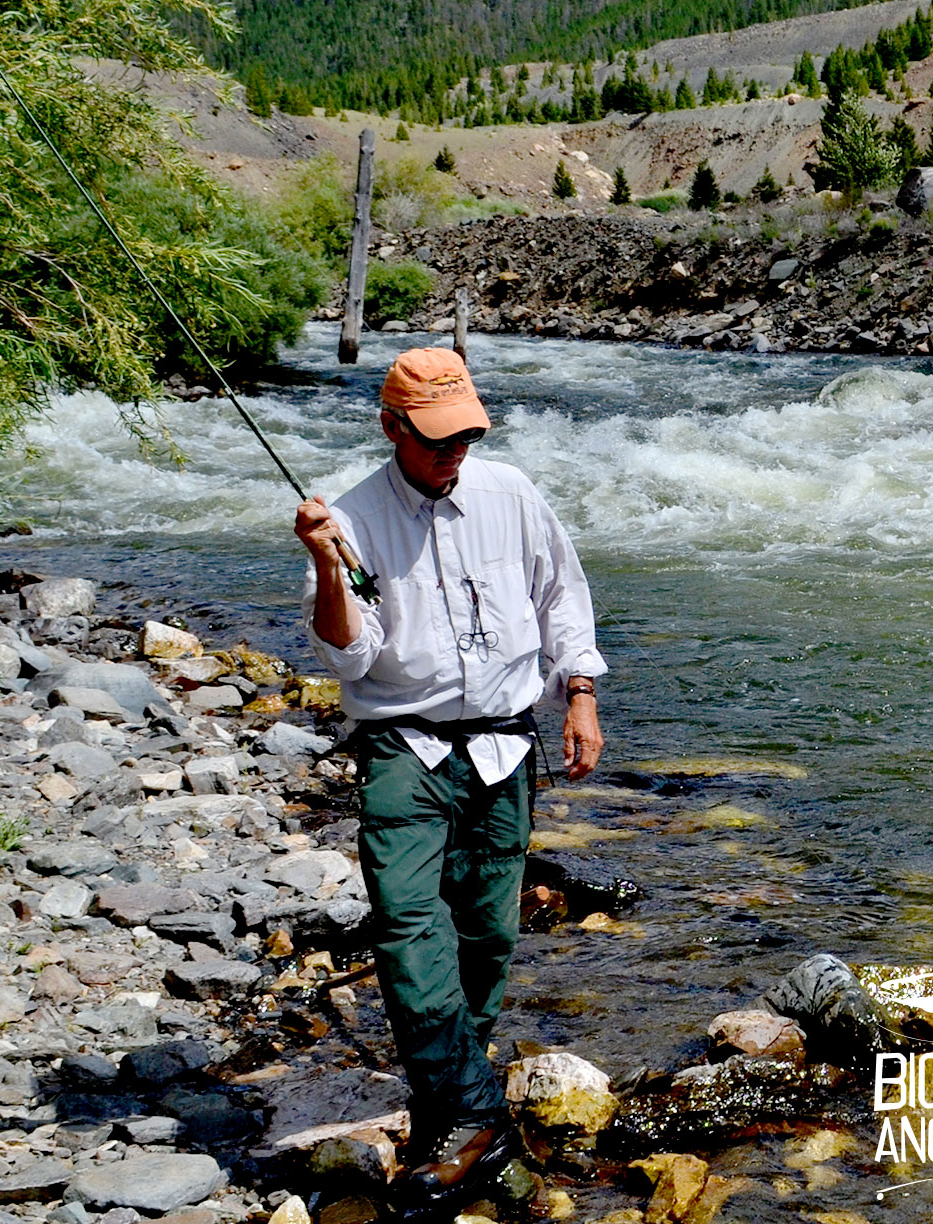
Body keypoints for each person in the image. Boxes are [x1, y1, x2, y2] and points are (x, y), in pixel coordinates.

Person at [295, 347, 605, 1216]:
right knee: (403, 922)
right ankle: (474, 1110)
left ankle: (451, 1114)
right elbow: (347, 653)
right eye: (435, 439)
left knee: (485, 933)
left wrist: (578, 694)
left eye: (465, 435)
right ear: (392, 427)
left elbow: (563, 597)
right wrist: (326, 565)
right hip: (403, 744)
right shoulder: (348, 517)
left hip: (507, 746)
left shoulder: (510, 492)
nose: (452, 453)